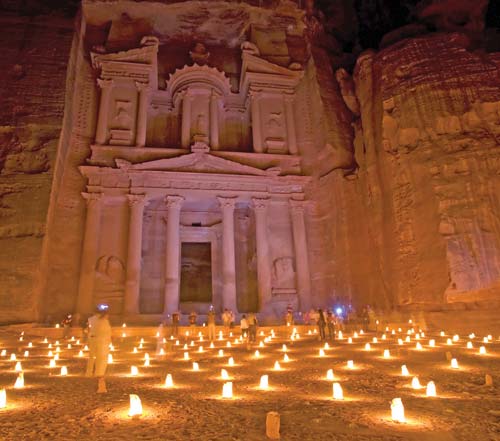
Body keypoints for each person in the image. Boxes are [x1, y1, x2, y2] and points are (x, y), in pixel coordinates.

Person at [86, 304, 112, 393]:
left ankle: (89, 372)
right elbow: (107, 333)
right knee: (101, 357)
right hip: (102, 341)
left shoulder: (91, 319)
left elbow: (88, 330)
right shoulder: (104, 321)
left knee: (91, 356)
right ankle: (99, 372)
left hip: (92, 339)